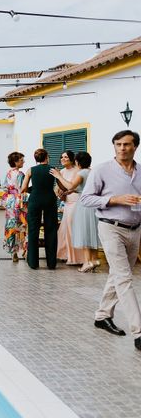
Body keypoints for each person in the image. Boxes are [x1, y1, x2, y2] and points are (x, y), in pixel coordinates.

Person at [81, 130, 141, 351]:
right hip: (110, 227)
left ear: (135, 146)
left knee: (118, 274)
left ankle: (102, 315)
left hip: (135, 229)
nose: (122, 148)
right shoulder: (102, 170)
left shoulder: (140, 171)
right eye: (118, 144)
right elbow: (86, 199)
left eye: (127, 144)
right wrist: (114, 199)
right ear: (114, 146)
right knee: (125, 277)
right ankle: (139, 331)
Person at [52, 151, 100, 272]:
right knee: (91, 232)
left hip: (83, 205)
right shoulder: (92, 172)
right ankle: (95, 260)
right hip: (93, 205)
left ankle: (87, 262)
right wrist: (74, 191)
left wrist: (59, 176)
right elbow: (83, 188)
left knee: (83, 233)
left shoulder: (81, 173)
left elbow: (70, 186)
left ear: (77, 162)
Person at [21, 148, 57, 270]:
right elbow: (61, 186)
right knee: (51, 230)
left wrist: (34, 189)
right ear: (47, 157)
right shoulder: (53, 169)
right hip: (50, 199)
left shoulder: (31, 170)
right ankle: (51, 263)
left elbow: (23, 188)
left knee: (33, 230)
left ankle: (33, 263)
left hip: (35, 200)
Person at [54, 150, 81, 264]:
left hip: (76, 201)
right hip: (67, 202)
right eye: (62, 157)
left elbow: (73, 186)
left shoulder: (77, 171)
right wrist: (58, 192)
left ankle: (77, 257)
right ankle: (65, 254)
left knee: (72, 229)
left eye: (66, 157)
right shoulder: (62, 171)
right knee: (64, 230)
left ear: (71, 158)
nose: (63, 159)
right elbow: (58, 187)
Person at [3, 152, 27, 263]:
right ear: (16, 162)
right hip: (19, 200)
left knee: (11, 225)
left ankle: (13, 251)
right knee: (22, 224)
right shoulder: (21, 174)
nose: (23, 162)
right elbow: (22, 189)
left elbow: (5, 188)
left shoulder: (8, 173)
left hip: (9, 201)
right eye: (21, 160)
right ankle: (24, 249)